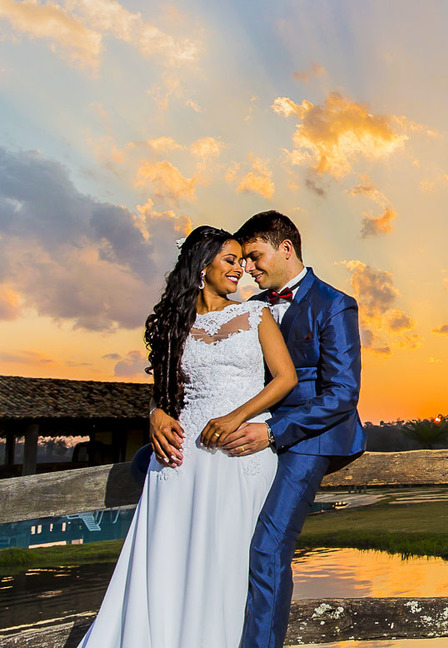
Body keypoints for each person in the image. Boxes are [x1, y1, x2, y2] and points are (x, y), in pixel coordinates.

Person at [80, 227, 298, 647]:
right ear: (202, 266)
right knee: (169, 556)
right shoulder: (172, 324)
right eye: (231, 261)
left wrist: (238, 416)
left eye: (241, 261)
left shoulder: (257, 315)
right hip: (181, 458)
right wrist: (155, 414)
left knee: (229, 559)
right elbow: (163, 393)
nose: (241, 270)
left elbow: (285, 378)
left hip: (241, 453)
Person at [219, 210, 367, 648]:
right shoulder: (250, 309)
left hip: (312, 436)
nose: (247, 267)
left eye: (255, 255)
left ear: (286, 248)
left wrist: (273, 430)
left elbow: (343, 391)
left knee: (267, 545)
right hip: (257, 432)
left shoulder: (334, 303)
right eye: (243, 260)